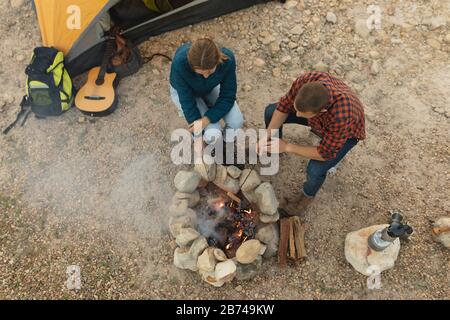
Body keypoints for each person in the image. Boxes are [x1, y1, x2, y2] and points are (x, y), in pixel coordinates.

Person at [259, 71, 366, 216]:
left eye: (301, 114)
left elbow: (324, 153)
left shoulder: (342, 115)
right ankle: (272, 147)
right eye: (297, 109)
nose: (297, 115)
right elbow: (284, 107)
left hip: (347, 134)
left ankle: (306, 195)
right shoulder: (307, 80)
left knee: (315, 170)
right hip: (319, 120)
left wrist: (287, 146)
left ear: (322, 111)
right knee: (271, 111)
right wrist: (268, 136)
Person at [169, 38, 244, 164]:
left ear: (218, 59)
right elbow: (188, 105)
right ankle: (212, 149)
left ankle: (225, 146)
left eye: (210, 71)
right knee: (212, 133)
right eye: (200, 73)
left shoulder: (227, 60)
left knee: (237, 121)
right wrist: (199, 144)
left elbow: (228, 96)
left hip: (210, 87)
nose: (206, 76)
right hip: (188, 94)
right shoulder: (179, 64)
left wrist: (207, 119)